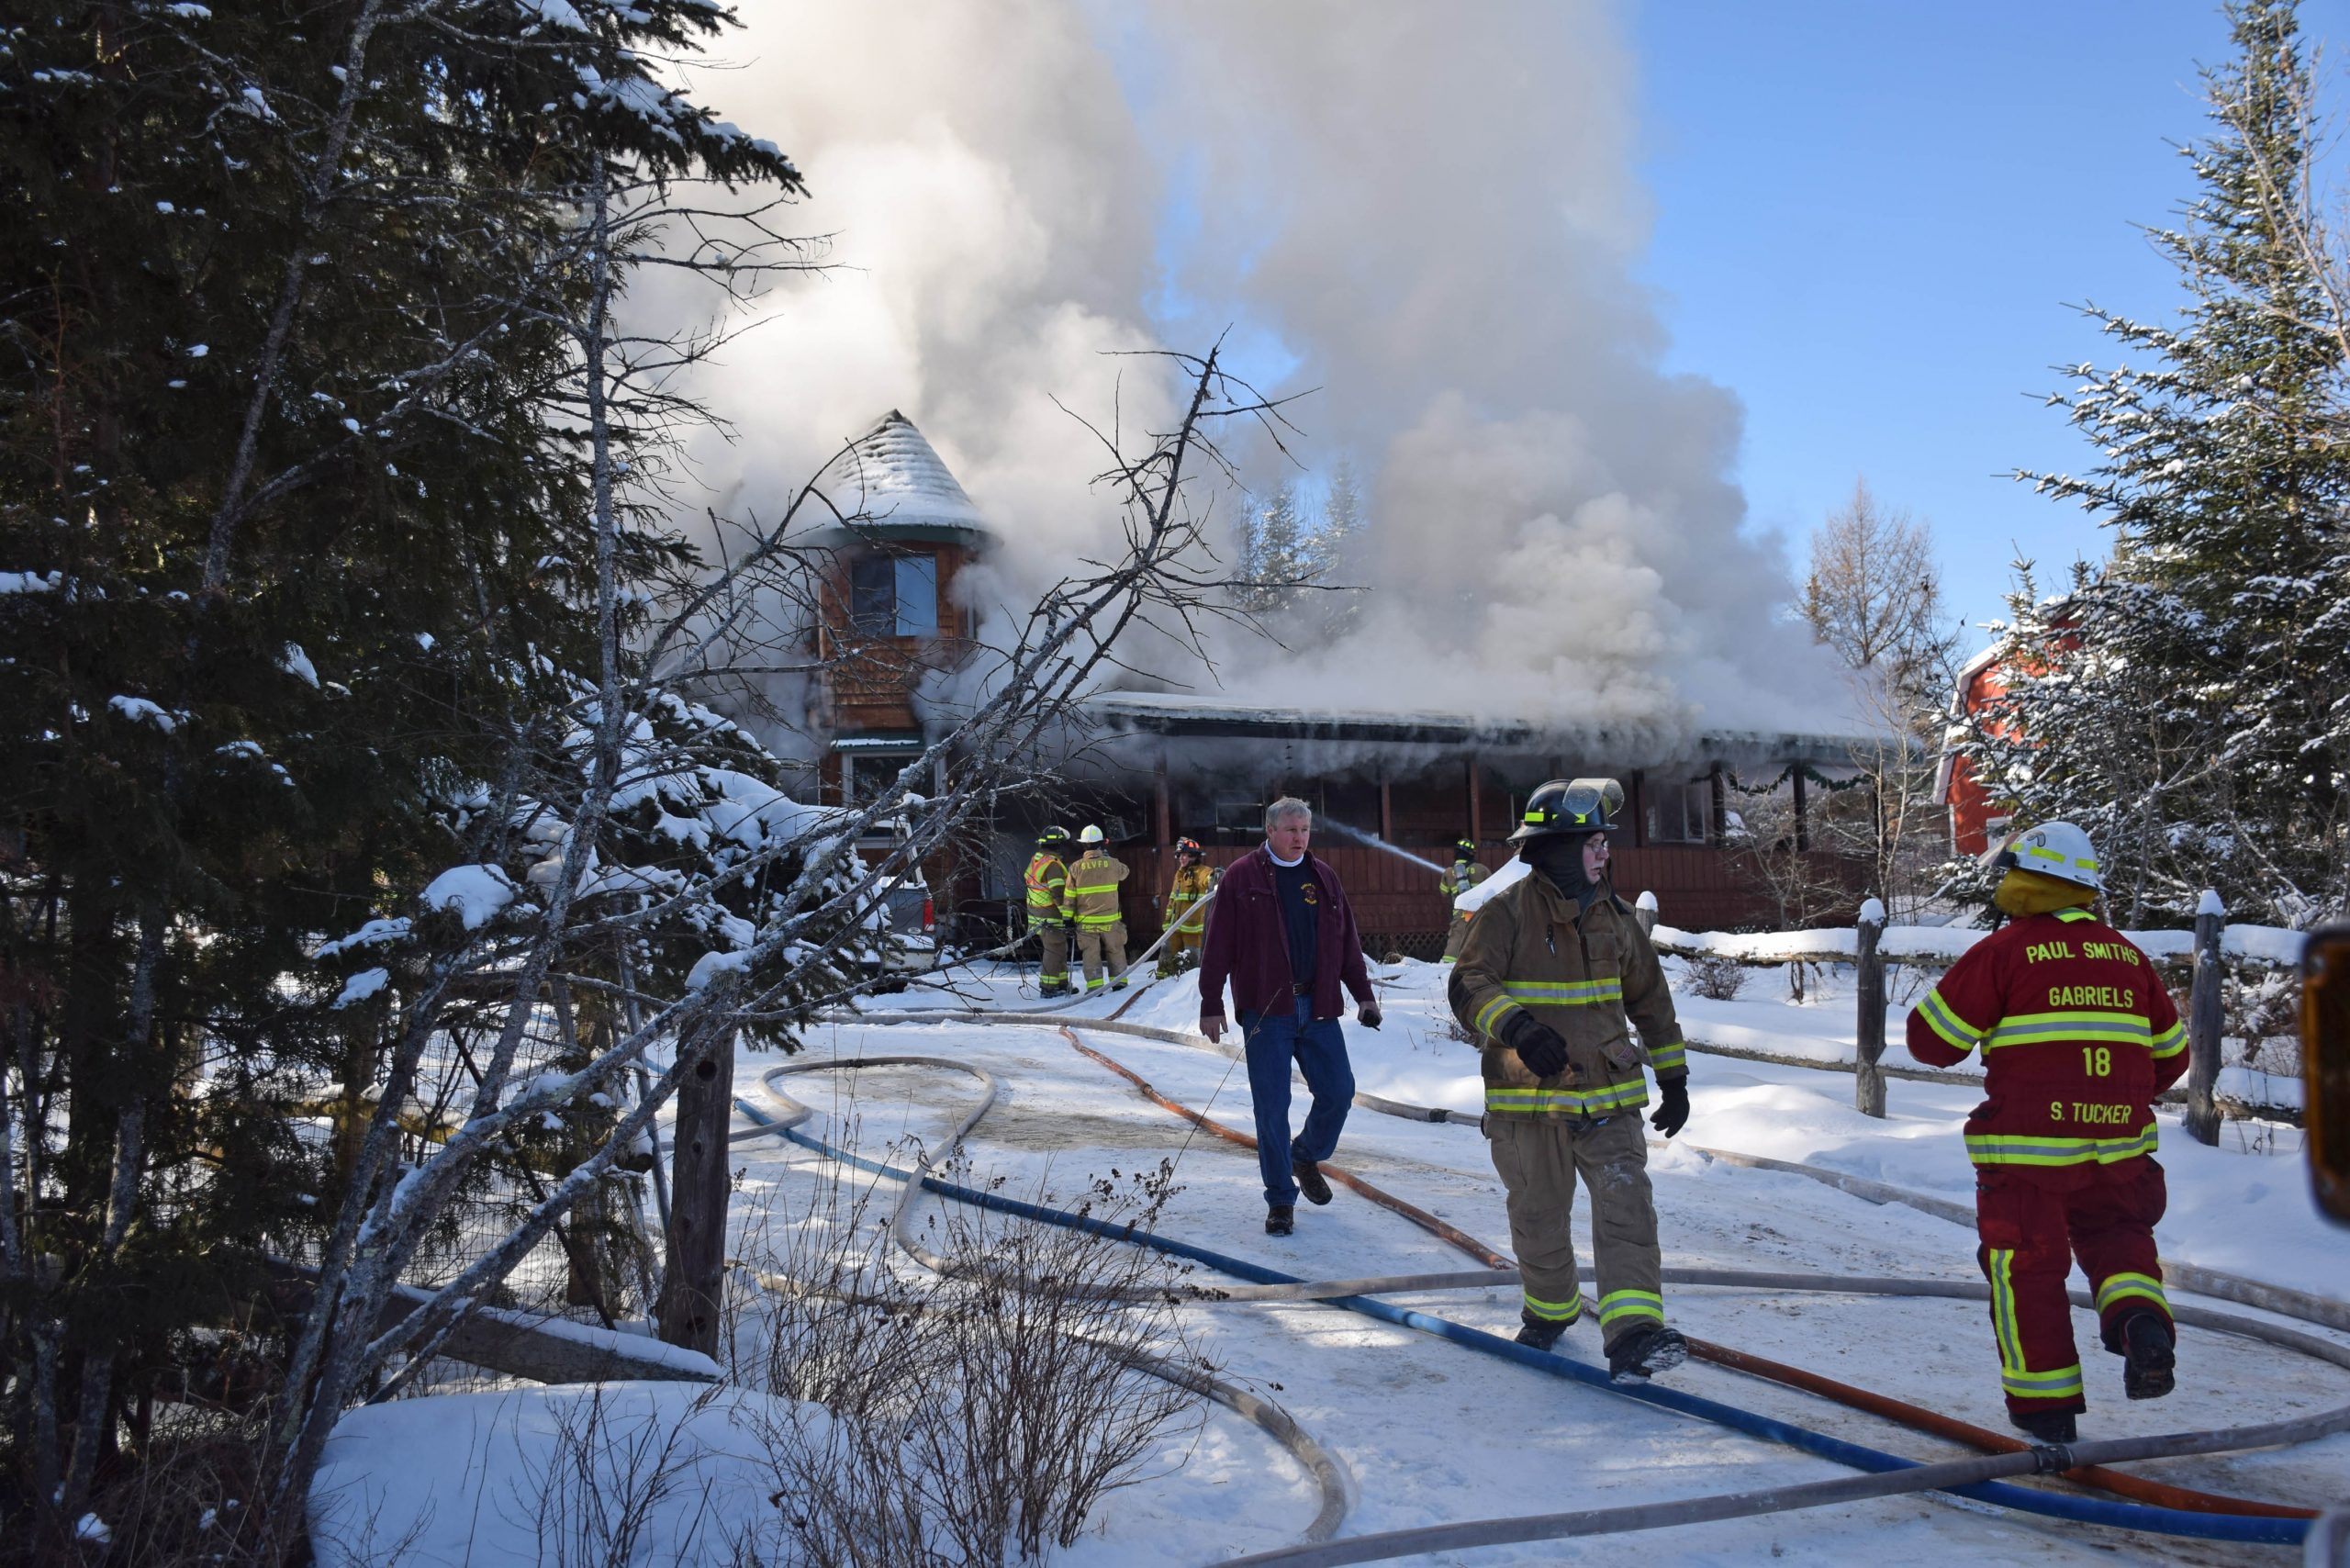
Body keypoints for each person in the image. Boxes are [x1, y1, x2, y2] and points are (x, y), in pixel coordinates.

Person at [1906, 821, 2188, 1444]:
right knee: (2119, 1237)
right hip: (2120, 1148)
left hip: (2028, 1154)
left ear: (2023, 881)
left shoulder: (2004, 952)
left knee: (2026, 1267)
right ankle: (2140, 1318)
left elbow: (1932, 1044)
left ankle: (2047, 1410)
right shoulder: (2127, 956)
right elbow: (2171, 1058)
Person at [1449, 778, 1694, 1383]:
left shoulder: (1616, 920)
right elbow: (1468, 985)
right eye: (1593, 842)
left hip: (1609, 1102)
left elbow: (1652, 1003)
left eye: (1604, 842)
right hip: (1529, 1102)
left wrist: (1675, 1076)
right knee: (1539, 1216)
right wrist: (1519, 1028)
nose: (1604, 852)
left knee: (1627, 1207)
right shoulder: (1504, 915)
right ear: (1558, 847)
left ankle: (1635, 1333)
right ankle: (1550, 1311)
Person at [1199, 797, 1382, 1237]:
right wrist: (1211, 1002)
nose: (1299, 838)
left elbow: (1347, 942)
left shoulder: (1323, 877)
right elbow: (1218, 945)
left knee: (1339, 1091)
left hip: (1317, 1007)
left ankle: (1306, 1153)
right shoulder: (1242, 877)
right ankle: (1280, 1199)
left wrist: (1364, 995)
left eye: (1305, 830)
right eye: (1291, 830)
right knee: (1271, 1106)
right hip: (1266, 1010)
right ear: (1270, 831)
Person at [1068, 825, 1132, 993]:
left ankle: (1095, 987)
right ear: (1102, 844)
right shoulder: (1113, 864)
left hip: (1086, 922)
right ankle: (1119, 982)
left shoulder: (1075, 867)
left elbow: (1069, 896)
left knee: (1090, 954)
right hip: (1110, 920)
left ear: (1084, 845)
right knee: (1115, 949)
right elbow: (1125, 873)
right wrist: (1108, 858)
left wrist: (1067, 919)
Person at [1024, 825, 1077, 997]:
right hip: (1050, 916)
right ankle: (1047, 988)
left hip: (1036, 915)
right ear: (1058, 844)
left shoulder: (1036, 859)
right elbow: (1058, 893)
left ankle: (1061, 983)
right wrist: (1068, 915)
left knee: (1059, 948)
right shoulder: (1052, 865)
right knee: (1054, 950)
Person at [1158, 837, 1217, 976]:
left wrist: (1215, 877)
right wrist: (1167, 923)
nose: (1181, 858)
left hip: (1193, 930)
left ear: (1194, 856)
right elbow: (1173, 900)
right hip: (1175, 928)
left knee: (1192, 964)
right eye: (1180, 855)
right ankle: (1160, 985)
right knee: (1165, 959)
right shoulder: (1180, 874)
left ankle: (1188, 989)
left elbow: (1210, 877)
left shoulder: (1202, 872)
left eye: (1185, 855)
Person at [1438, 837, 1490, 962]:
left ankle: (1448, 965)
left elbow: (1443, 892)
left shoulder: (1449, 871)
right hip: (1480, 912)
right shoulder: (1481, 869)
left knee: (1457, 937)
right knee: (1481, 936)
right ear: (1471, 853)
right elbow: (1493, 889)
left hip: (1461, 913)